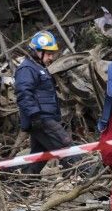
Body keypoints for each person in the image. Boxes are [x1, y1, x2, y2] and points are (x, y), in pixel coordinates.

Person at [14, 30, 77, 174]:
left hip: (43, 119)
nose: (51, 57)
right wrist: (35, 116)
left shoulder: (38, 68)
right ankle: (87, 176)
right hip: (41, 119)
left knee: (37, 159)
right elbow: (23, 94)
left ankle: (22, 186)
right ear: (37, 51)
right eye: (48, 54)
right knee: (66, 147)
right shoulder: (27, 69)